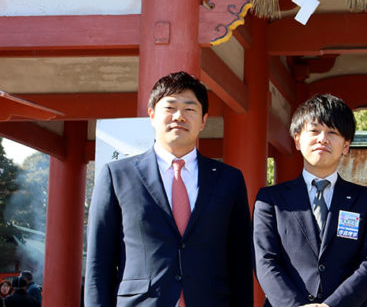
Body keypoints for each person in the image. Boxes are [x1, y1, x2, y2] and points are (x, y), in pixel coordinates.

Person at [84, 71, 254, 306]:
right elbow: (98, 262)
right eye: (170, 107)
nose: (179, 116)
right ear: (152, 115)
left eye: (189, 109)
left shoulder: (229, 180)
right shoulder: (117, 176)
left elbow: (240, 261)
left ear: (203, 120)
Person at [254, 94, 367, 307]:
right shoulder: (271, 200)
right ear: (297, 140)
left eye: (332, 132)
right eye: (314, 131)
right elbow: (265, 260)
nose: (322, 139)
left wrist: (331, 306)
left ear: (345, 145)